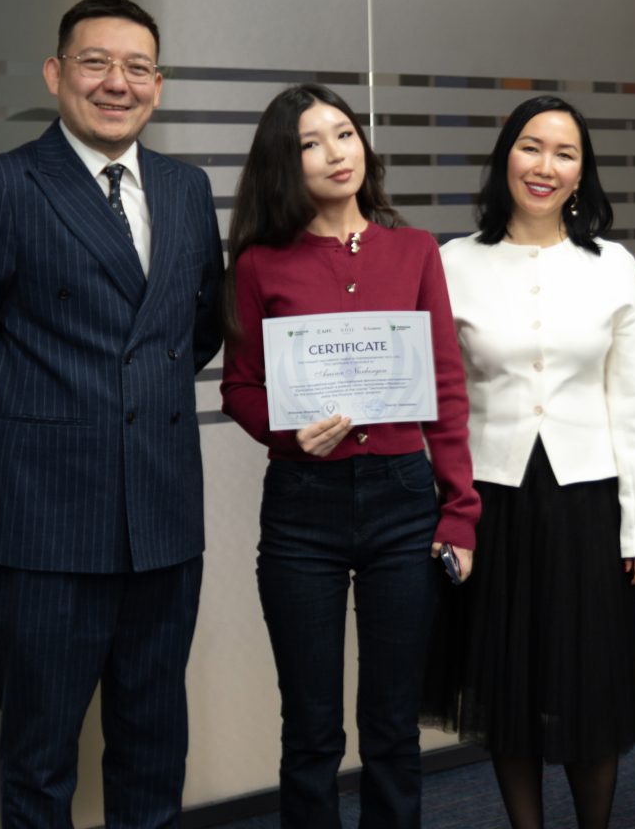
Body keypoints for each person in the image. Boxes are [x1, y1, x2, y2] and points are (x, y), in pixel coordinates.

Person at [0, 0, 224, 827]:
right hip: (40, 526)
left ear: (158, 84)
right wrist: (38, 424)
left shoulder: (187, 190)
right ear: (56, 73)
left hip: (161, 520)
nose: (117, 83)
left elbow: (192, 333)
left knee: (154, 753)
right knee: (40, 766)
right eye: (95, 62)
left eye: (137, 67)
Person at [220, 83, 478, 829]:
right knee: (310, 730)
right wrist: (286, 432)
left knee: (393, 727)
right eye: (311, 142)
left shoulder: (415, 250)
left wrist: (460, 512)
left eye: (344, 133)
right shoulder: (259, 263)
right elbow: (240, 388)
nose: (336, 153)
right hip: (303, 505)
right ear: (285, 162)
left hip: (403, 500)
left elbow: (446, 387)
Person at [425, 95, 635, 829]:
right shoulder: (453, 262)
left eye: (565, 154)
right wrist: (447, 513)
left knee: (589, 685)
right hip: (491, 501)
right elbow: (441, 401)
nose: (545, 166)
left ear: (581, 173)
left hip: (587, 501)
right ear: (506, 155)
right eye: (531, 147)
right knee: (507, 685)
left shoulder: (612, 265)